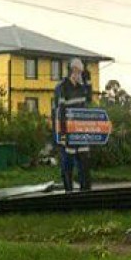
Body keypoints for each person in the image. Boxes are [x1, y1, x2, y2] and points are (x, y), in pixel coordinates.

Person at [52, 57, 92, 193]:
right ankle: (69, 194)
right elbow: (60, 112)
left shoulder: (82, 88)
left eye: (80, 71)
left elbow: (88, 103)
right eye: (76, 71)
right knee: (67, 164)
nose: (78, 74)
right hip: (66, 133)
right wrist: (62, 134)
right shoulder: (62, 87)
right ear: (71, 71)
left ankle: (86, 193)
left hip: (81, 133)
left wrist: (89, 82)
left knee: (84, 163)